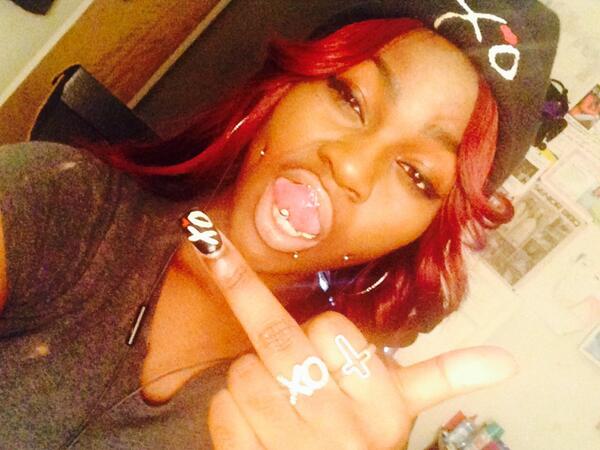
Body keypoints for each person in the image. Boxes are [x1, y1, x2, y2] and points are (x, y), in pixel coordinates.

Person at [0, 1, 558, 448]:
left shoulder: (323, 420)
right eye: (349, 96)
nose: (351, 165)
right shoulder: (63, 199)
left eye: (416, 174)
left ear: (421, 236)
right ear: (284, 89)